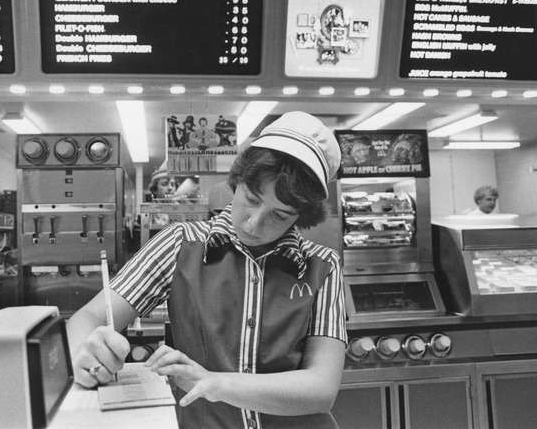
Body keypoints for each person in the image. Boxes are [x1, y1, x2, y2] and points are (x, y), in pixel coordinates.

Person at [68, 111, 347, 428]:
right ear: (237, 180)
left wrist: (213, 382)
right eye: (251, 198)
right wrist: (85, 354)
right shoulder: (180, 243)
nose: (254, 224)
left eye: (280, 215)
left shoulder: (322, 265)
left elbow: (321, 389)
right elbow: (88, 318)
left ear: (302, 215)